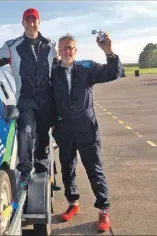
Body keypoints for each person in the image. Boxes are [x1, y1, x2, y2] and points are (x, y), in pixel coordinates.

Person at [0, 8, 58, 189]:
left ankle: (42, 169)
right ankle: (25, 171)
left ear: (39, 22)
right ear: (23, 23)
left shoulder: (51, 46)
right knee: (25, 130)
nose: (31, 23)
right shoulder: (12, 46)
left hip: (46, 99)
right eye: (28, 20)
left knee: (43, 135)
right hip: (26, 97)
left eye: (34, 20)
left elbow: (59, 71)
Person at [50, 32, 122, 232]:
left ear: (76, 50)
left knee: (94, 168)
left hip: (86, 126)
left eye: (70, 47)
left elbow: (113, 73)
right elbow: (47, 99)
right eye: (63, 47)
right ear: (58, 50)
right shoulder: (53, 72)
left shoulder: (87, 68)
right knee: (67, 168)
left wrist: (108, 52)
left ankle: (103, 210)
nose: (66, 51)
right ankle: (73, 203)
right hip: (64, 128)